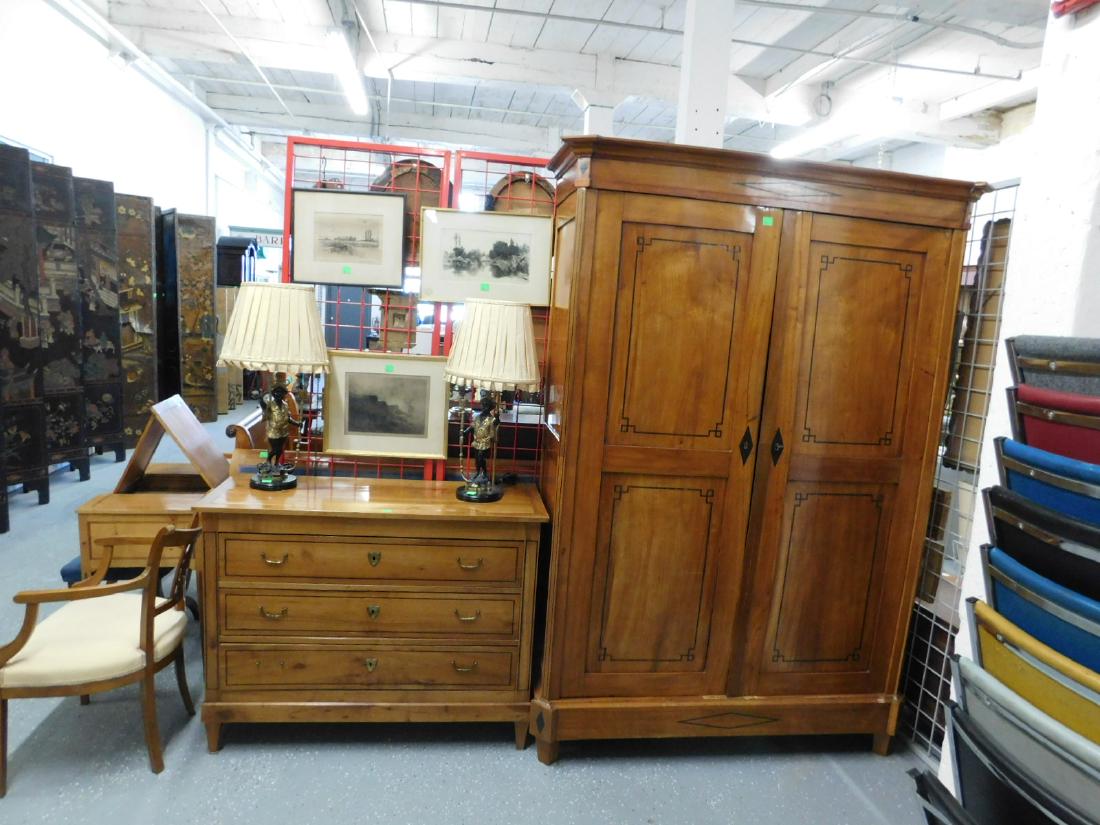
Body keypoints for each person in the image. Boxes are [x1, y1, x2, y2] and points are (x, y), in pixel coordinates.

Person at [259, 382, 299, 472]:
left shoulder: (285, 405)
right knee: (275, 449)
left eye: (281, 393)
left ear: (284, 394)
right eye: (277, 392)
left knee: (280, 450)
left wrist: (297, 423)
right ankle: (268, 461)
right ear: (273, 394)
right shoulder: (270, 404)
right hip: (273, 431)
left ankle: (277, 463)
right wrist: (262, 397)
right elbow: (263, 404)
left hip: (283, 431)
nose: (279, 394)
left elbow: (288, 418)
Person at [468, 394, 500, 483]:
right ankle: (478, 471)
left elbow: (496, 424)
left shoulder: (491, 419)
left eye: (487, 406)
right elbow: (472, 426)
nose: (484, 407)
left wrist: (497, 418)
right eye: (483, 405)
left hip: (485, 442)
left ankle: (484, 471)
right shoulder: (477, 417)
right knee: (477, 459)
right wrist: (465, 432)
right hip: (476, 441)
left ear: (490, 407)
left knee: (481, 456)